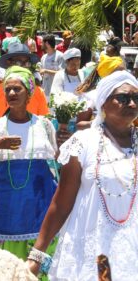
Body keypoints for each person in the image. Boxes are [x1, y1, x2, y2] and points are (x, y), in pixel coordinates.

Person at [29, 71, 138, 280]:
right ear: (103, 104)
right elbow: (61, 203)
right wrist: (37, 254)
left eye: (136, 98)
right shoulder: (83, 142)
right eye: (123, 98)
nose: (131, 104)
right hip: (95, 251)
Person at [0, 66, 58, 259]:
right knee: (4, 261)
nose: (11, 93)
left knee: (36, 257)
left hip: (40, 200)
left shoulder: (44, 125)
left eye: (17, 89)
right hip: (6, 201)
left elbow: (56, 158)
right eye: (7, 89)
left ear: (29, 93)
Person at [0, 43, 49, 122]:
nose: (22, 67)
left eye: (26, 63)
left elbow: (44, 123)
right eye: (18, 62)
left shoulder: (38, 92)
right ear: (8, 63)